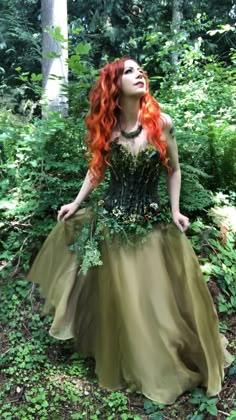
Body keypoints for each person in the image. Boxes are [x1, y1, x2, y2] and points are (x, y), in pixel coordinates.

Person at [28, 58, 233, 404]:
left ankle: (165, 357)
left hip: (152, 227)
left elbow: (174, 171)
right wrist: (76, 204)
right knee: (123, 302)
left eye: (140, 70)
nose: (138, 74)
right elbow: (96, 172)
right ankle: (131, 359)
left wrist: (176, 210)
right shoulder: (107, 130)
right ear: (113, 86)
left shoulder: (161, 124)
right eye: (128, 71)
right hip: (112, 229)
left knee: (154, 301)